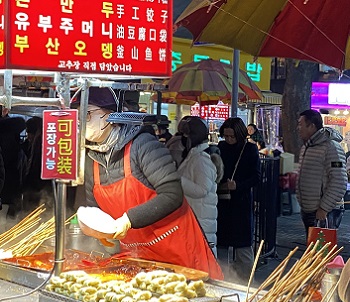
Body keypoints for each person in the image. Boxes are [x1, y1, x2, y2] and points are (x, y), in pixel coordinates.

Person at [75, 87, 223, 279]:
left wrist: (128, 220)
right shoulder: (92, 160)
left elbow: (173, 194)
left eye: (87, 114)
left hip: (179, 252)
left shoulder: (143, 145)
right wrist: (100, 233)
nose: (82, 122)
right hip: (138, 259)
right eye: (78, 117)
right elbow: (95, 209)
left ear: (110, 116)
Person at [216, 117, 261, 284]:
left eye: (232, 136)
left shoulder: (249, 149)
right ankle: (223, 279)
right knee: (221, 244)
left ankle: (247, 282)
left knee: (243, 247)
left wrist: (238, 186)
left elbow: (256, 176)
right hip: (222, 201)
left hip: (240, 202)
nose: (228, 140)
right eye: (226, 136)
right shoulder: (220, 148)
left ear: (240, 135)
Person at [176, 116, 224, 257]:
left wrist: (176, 179)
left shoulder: (201, 159)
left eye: (184, 135)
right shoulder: (193, 156)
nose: (181, 139)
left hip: (201, 222)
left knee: (203, 268)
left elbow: (202, 189)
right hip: (195, 220)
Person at [296, 109, 347, 236]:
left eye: (301, 124)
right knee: (313, 251)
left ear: (312, 126)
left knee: (323, 252)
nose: (298, 128)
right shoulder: (307, 147)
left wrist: (324, 208)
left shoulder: (331, 147)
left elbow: (339, 181)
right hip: (309, 210)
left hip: (324, 212)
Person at [22, 117, 53, 213]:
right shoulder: (38, 143)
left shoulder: (40, 144)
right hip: (39, 188)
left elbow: (35, 170)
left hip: (38, 189)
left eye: (29, 133)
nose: (28, 136)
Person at [0, 107, 26, 220]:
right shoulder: (7, 128)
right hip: (8, 187)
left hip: (8, 187)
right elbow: (20, 122)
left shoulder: (7, 127)